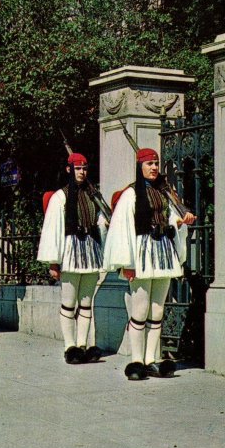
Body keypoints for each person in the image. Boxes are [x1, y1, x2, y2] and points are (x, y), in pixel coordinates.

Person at [103, 148, 196, 381]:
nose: (154, 167)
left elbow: (171, 219)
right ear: (140, 166)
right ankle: (136, 360)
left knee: (157, 309)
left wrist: (182, 220)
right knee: (140, 309)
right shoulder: (131, 194)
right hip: (142, 253)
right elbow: (122, 228)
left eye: (156, 163)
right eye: (149, 164)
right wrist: (127, 262)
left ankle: (150, 359)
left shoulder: (165, 192)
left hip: (163, 252)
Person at [37, 152, 108, 365]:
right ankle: (70, 347)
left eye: (85, 168)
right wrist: (53, 261)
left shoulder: (94, 194)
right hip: (70, 251)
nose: (82, 172)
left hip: (90, 251)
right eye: (78, 168)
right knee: (68, 302)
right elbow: (53, 230)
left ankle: (83, 345)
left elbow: (101, 220)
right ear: (69, 170)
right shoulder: (61, 196)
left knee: (86, 303)